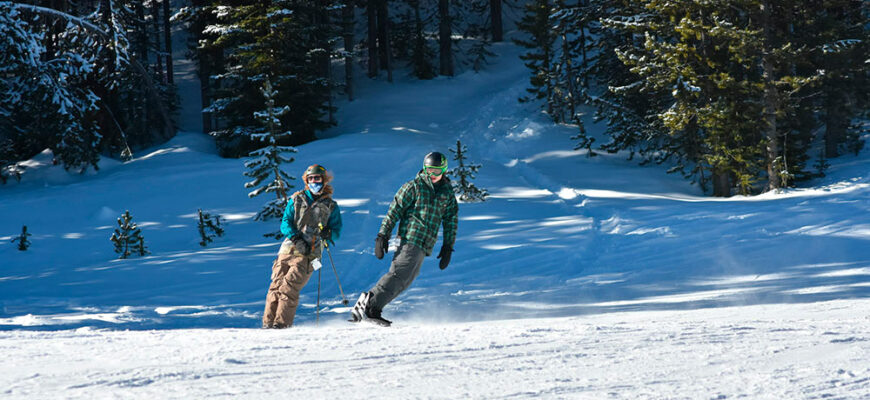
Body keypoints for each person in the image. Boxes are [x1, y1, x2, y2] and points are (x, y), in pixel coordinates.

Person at [351, 152, 459, 325]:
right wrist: (383, 235)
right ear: (424, 169)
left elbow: (451, 220)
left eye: (437, 171)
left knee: (406, 279)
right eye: (430, 170)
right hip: (410, 238)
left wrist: (448, 246)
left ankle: (369, 305)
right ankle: (370, 306)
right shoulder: (414, 186)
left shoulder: (447, 194)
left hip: (425, 243)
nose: (433, 175)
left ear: (444, 171)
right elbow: (395, 210)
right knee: (400, 274)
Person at [262, 164, 342, 328]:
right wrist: (296, 237)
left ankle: (281, 325)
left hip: (310, 254)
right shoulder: (296, 199)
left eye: (317, 178)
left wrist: (328, 233)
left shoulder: (330, 205)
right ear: (306, 180)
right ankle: (268, 324)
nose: (314, 181)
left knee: (289, 287)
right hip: (287, 250)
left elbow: (336, 230)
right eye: (311, 178)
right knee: (275, 287)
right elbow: (285, 222)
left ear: (324, 180)